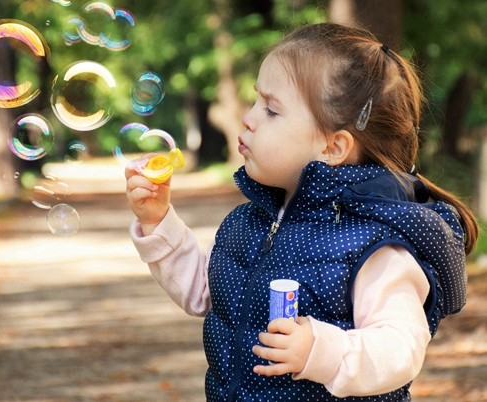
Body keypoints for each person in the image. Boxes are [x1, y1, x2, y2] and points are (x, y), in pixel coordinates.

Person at [125, 22, 478, 401]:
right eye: (255, 101)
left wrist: (320, 351)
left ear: (333, 147)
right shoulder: (250, 222)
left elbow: (400, 348)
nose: (248, 117)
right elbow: (207, 292)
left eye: (272, 110)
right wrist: (158, 221)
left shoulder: (373, 244)